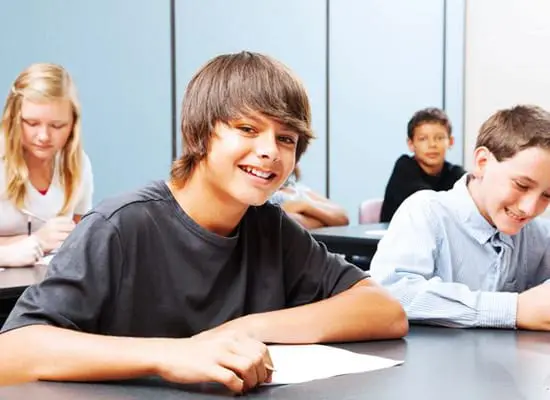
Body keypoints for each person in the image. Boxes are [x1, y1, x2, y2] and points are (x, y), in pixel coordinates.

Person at [0, 52, 407, 393]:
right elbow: (11, 354)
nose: (270, 151)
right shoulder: (120, 226)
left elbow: (384, 310)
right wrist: (172, 354)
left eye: (286, 138)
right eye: (247, 129)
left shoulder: (270, 227)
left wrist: (244, 329)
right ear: (199, 133)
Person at [370, 104, 550, 331]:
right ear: (482, 163)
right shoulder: (425, 212)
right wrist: (513, 309)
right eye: (521, 185)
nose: (530, 208)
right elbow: (393, 292)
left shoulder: (538, 233)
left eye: (547, 195)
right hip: (430, 363)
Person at [0, 63, 94, 266]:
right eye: (32, 123)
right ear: (14, 119)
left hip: (52, 290)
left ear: (73, 125)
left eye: (57, 126)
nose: (43, 136)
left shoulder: (78, 165)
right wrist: (36, 242)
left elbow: (78, 240)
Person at [380, 107, 465, 222]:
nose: (432, 144)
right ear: (411, 144)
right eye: (423, 139)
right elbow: (426, 204)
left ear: (450, 142)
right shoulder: (404, 167)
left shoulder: (455, 173)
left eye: (439, 138)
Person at [270, 166, 349, 229]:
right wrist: (326, 220)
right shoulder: (267, 196)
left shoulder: (298, 189)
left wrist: (303, 205)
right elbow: (288, 223)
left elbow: (343, 218)